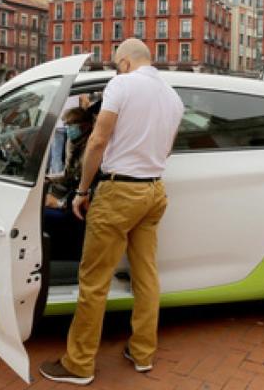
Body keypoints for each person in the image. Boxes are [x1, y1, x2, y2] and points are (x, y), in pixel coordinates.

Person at [40, 39, 184, 385]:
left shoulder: (122, 84)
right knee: (146, 276)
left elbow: (99, 139)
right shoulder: (173, 97)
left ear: (123, 62)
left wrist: (83, 190)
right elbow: (167, 147)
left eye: (115, 63)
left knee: (93, 281)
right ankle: (142, 353)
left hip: (119, 191)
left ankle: (79, 363)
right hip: (153, 190)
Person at [44, 106, 96, 261]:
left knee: (44, 217)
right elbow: (69, 175)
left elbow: (86, 182)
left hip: (82, 200)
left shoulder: (91, 147)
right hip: (73, 195)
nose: (68, 129)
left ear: (85, 125)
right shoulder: (73, 142)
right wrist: (48, 178)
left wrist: (60, 204)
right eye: (65, 125)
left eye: (71, 125)